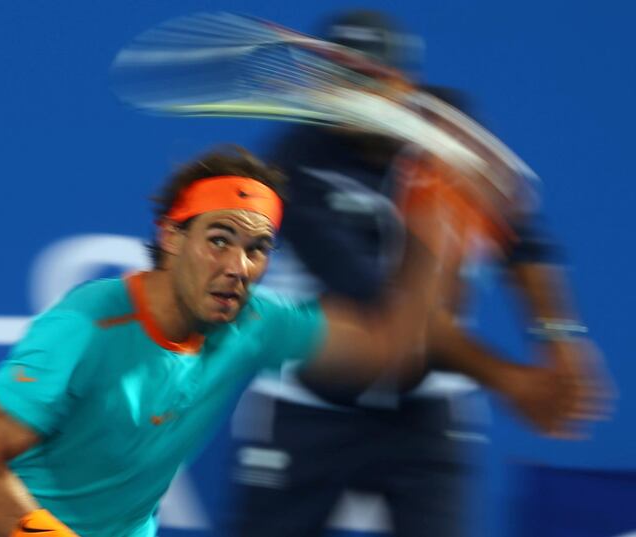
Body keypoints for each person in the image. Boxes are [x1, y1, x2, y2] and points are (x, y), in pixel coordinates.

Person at [0, 144, 493, 537]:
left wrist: (432, 240)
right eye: (218, 240)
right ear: (172, 237)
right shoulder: (86, 328)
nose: (238, 266)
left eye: (258, 248)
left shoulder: (255, 324)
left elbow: (389, 348)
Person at [223, 9, 611, 537]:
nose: (352, 95)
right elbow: (387, 309)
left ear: (404, 85)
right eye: (338, 78)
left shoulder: (453, 126)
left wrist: (560, 338)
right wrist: (511, 379)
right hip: (309, 410)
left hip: (426, 416)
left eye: (368, 79)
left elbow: (520, 237)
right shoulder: (294, 162)